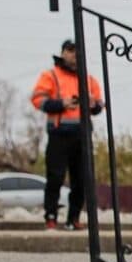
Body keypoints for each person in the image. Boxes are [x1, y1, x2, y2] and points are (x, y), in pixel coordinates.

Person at [30, 39, 104, 230]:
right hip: (59, 134)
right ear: (62, 53)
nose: (74, 55)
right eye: (70, 50)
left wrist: (92, 103)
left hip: (82, 135)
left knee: (81, 179)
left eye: (77, 51)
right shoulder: (51, 75)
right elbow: (38, 100)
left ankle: (74, 218)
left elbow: (99, 105)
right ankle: (51, 216)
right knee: (55, 177)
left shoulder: (88, 79)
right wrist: (61, 104)